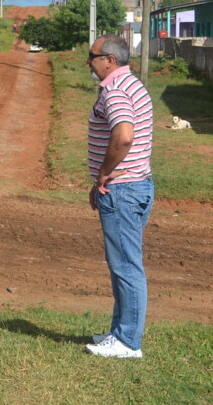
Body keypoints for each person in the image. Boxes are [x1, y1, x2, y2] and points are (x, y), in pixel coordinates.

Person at [85, 34, 154, 359]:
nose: (89, 61)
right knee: (122, 265)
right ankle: (119, 332)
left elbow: (124, 136)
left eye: (93, 55)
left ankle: (128, 342)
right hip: (135, 186)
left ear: (110, 60)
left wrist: (103, 174)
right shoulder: (133, 84)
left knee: (126, 266)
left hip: (123, 191)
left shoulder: (114, 91)